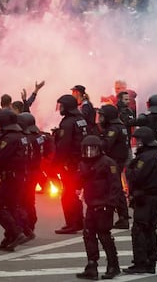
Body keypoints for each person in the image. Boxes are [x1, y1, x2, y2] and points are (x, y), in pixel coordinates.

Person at [76, 135, 121, 280]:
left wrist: (111, 204)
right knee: (88, 235)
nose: (89, 153)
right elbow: (80, 180)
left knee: (104, 236)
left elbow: (115, 186)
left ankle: (113, 265)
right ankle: (91, 265)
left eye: (92, 149)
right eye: (87, 150)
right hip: (91, 205)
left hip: (104, 205)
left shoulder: (108, 163)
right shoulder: (83, 164)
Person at [124, 126, 157, 274]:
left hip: (144, 198)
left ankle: (141, 262)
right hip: (155, 197)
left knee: (139, 230)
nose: (137, 143)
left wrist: (129, 168)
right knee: (150, 230)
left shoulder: (146, 158)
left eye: (139, 140)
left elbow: (136, 176)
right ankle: (151, 261)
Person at [0, 109, 28, 251]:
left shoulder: (9, 139)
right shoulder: (21, 136)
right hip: (20, 176)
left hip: (11, 177)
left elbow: (1, 157)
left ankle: (16, 233)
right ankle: (10, 237)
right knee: (11, 208)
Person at [54, 94, 87, 234]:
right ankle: (79, 221)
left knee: (67, 194)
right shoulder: (81, 120)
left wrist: (55, 164)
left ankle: (72, 223)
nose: (60, 108)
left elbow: (64, 146)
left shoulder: (67, 123)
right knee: (73, 193)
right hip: (81, 161)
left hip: (70, 163)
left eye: (61, 105)